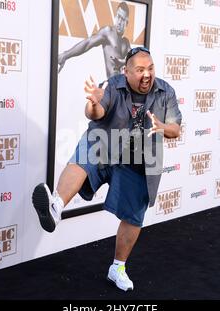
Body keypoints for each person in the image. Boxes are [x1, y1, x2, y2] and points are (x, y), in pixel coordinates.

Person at [32, 47, 182, 291]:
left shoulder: (165, 91)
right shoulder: (113, 84)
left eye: (151, 68)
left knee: (134, 215)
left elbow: (176, 130)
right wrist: (93, 103)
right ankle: (55, 207)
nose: (147, 75)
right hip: (107, 144)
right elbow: (96, 112)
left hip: (139, 159)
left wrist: (162, 126)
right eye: (140, 70)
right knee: (86, 154)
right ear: (126, 72)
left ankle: (117, 268)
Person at [58, 1, 131, 78]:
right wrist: (65, 55)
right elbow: (88, 43)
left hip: (122, 87)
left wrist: (122, 62)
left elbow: (136, 60)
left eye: (122, 19)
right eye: (118, 17)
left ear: (126, 23)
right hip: (111, 85)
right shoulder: (108, 32)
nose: (119, 22)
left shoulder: (126, 43)